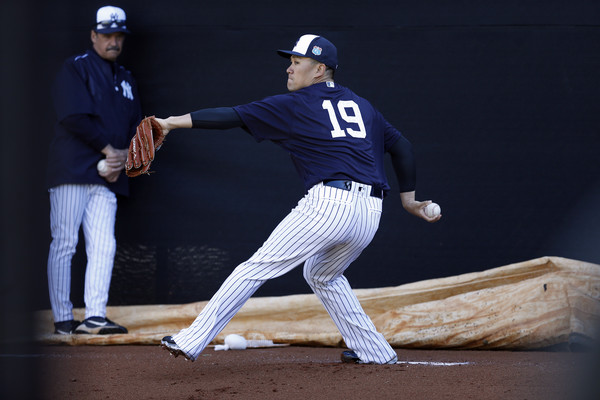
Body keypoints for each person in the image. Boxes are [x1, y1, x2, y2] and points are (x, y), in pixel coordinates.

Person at [158, 34, 441, 364]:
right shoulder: (363, 106)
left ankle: (191, 339)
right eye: (289, 62)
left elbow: (231, 116)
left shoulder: (297, 104)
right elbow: (402, 147)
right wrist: (409, 201)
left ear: (319, 69)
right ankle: (374, 351)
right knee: (322, 274)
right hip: (370, 212)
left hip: (330, 204)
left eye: (297, 63)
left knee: (255, 268)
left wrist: (170, 123)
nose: (289, 69)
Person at [46, 6, 141, 335]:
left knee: (104, 245)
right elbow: (72, 116)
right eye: (106, 35)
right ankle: (62, 319)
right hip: (72, 169)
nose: (113, 41)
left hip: (108, 174)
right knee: (65, 243)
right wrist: (109, 151)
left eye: (118, 35)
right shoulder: (76, 67)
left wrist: (123, 159)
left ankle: (95, 316)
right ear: (93, 35)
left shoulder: (126, 78)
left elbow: (136, 126)